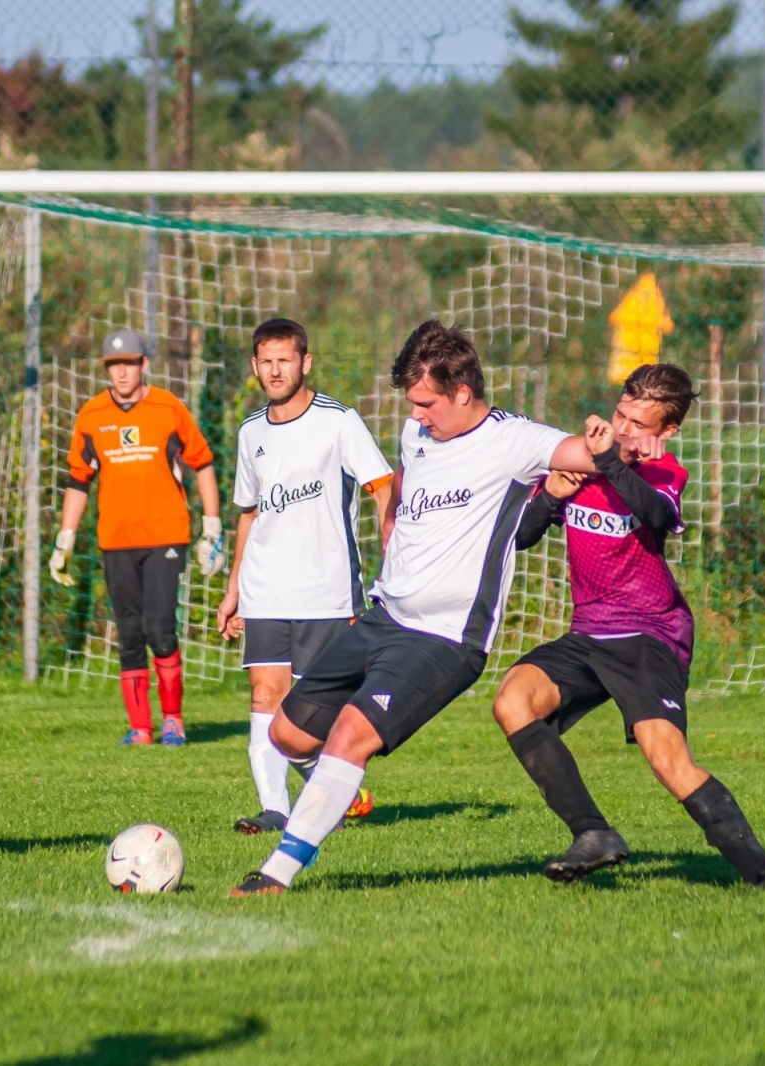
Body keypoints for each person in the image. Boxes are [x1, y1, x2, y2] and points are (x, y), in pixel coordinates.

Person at [230, 320, 669, 895]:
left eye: (426, 403)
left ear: (462, 392)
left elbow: (583, 453)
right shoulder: (418, 436)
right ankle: (332, 792)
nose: (416, 416)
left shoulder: (513, 440)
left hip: (443, 640)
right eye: (412, 404)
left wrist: (631, 445)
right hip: (383, 617)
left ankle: (277, 873)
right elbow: (407, 487)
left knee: (350, 738)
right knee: (288, 734)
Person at [499, 364, 765, 891]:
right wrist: (551, 493)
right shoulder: (583, 461)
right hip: (589, 633)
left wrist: (613, 464)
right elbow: (520, 537)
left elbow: (656, 518)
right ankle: (592, 834)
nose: (625, 429)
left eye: (640, 424)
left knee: (667, 759)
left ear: (668, 432)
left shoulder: (664, 473)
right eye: (620, 415)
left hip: (648, 635)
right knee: (512, 701)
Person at [216, 319, 393, 834]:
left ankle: (331, 791)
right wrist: (234, 591)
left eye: (285, 360)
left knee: (311, 713)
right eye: (266, 361)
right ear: (255, 368)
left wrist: (390, 555)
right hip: (265, 588)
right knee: (263, 696)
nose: (275, 370)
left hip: (328, 592)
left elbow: (383, 486)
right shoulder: (251, 432)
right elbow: (247, 513)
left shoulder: (338, 421)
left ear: (305, 363)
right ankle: (276, 809)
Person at [50, 328, 224, 746]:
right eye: (114, 365)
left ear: (143, 365)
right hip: (116, 539)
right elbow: (78, 480)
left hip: (166, 535)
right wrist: (65, 538)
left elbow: (202, 464)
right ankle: (140, 728)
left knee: (160, 628)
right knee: (128, 633)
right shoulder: (91, 415)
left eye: (129, 363)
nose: (122, 372)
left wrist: (212, 526)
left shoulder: (168, 408)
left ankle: (173, 721)